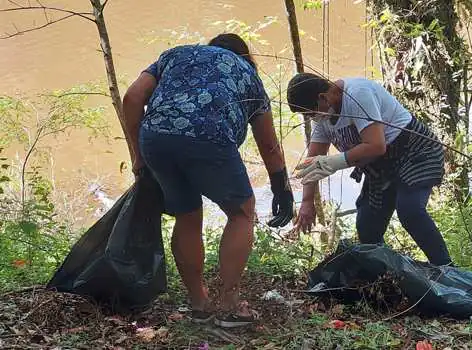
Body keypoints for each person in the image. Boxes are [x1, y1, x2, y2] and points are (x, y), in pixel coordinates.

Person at [120, 33, 294, 328]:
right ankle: (229, 304)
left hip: (155, 138)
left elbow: (132, 98)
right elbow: (268, 144)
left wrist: (138, 155)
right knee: (241, 213)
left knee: (187, 216)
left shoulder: (174, 55)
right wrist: (281, 187)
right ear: (244, 55)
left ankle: (199, 303)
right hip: (208, 136)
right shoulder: (247, 73)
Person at [287, 72, 453, 266]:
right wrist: (307, 201)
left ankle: (446, 269)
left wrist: (335, 162)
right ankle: (387, 276)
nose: (311, 118)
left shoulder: (357, 94)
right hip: (379, 165)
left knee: (410, 211)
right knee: (367, 226)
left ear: (322, 97)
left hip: (414, 151)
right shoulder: (323, 119)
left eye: (310, 113)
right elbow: (312, 162)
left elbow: (376, 145)